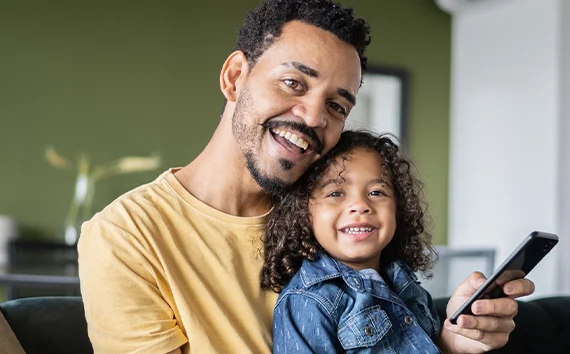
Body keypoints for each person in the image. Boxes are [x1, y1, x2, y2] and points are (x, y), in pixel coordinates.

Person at [78, 1, 534, 353]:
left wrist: (451, 339)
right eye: (293, 83)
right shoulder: (126, 236)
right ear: (236, 76)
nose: (313, 116)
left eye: (337, 105)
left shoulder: (333, 217)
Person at [262, 130, 526, 353]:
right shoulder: (307, 302)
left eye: (377, 192)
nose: (360, 205)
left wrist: (449, 342)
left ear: (398, 209)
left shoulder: (406, 285)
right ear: (303, 212)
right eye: (336, 192)